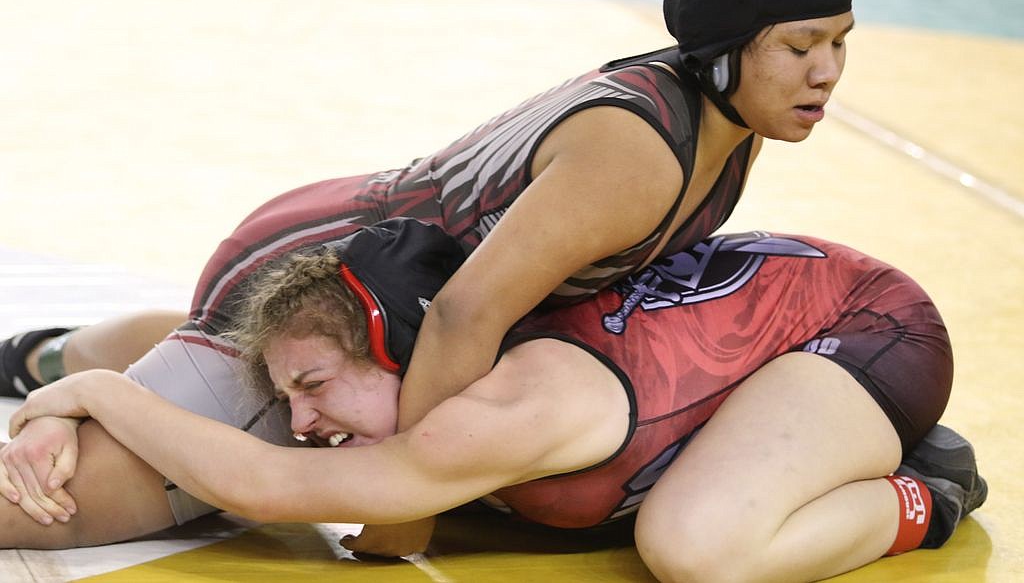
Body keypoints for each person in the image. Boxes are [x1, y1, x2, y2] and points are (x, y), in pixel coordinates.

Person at [1, 0, 860, 552]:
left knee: (208, 361)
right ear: (724, 46)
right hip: (323, 290)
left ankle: (48, 353)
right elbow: (461, 316)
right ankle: (67, 380)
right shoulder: (639, 155)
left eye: (839, 41)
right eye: (799, 45)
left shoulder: (724, 120)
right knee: (52, 510)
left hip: (352, 259)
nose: (826, 71)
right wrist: (400, 519)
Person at [3, 218, 986, 582]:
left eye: (313, 385)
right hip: (743, 334)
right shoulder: (418, 362)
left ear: (401, 347)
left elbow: (261, 483)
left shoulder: (507, 407)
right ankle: (38, 355)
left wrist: (92, 393)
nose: (304, 421)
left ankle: (920, 490)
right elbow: (194, 335)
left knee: (701, 548)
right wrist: (55, 396)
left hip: (859, 327)